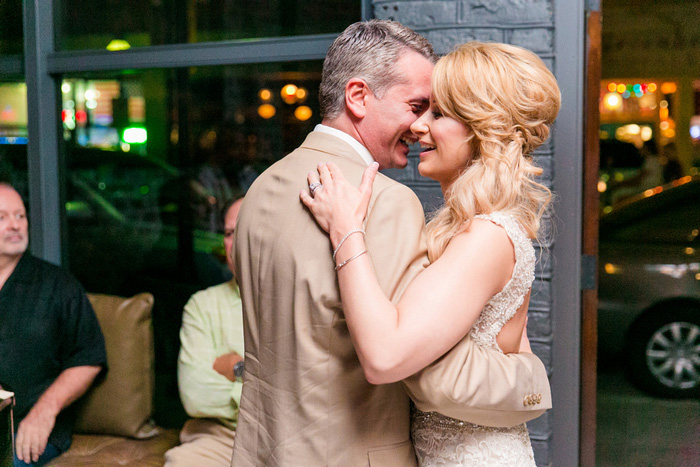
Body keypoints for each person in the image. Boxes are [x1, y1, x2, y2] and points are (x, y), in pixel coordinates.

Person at [233, 21, 550, 467]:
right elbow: (408, 363)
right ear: (358, 96)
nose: (420, 125)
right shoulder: (386, 202)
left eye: (434, 112)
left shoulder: (264, 187)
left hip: (261, 448)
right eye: (418, 106)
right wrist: (530, 376)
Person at [0, 184, 107, 466]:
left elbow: (89, 357)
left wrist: (43, 412)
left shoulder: (59, 286)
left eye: (20, 216)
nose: (14, 225)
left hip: (24, 429)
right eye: (2, 217)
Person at [164, 197, 245, 467]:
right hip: (219, 437)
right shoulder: (202, 305)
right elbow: (194, 393)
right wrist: (253, 376)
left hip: (286, 436)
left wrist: (236, 367)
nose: (234, 243)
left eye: (244, 229)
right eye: (229, 233)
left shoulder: (293, 299)